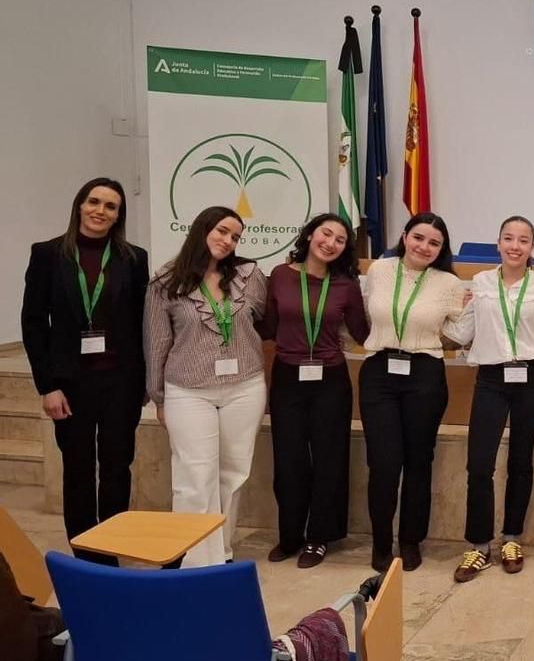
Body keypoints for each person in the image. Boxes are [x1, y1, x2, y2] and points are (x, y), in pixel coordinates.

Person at [20, 177, 148, 566]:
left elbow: (141, 323)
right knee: (77, 470)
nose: (100, 211)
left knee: (117, 467)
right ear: (79, 205)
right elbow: (33, 323)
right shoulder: (47, 254)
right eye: (94, 202)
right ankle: (86, 556)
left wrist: (144, 381)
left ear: (119, 215)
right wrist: (47, 386)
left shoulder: (133, 258)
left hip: (120, 382)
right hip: (70, 384)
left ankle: (112, 547)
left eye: (111, 206)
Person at [145, 206, 268, 567]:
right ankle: (194, 561)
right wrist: (159, 397)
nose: (228, 241)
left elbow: (262, 321)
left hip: (245, 387)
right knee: (195, 477)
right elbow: (156, 343)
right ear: (202, 229)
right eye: (222, 231)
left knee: (233, 473)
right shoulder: (165, 281)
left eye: (235, 236)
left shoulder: (249, 275)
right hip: (188, 389)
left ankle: (221, 554)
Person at [445, 216, 534, 582]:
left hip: (532, 379)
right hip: (492, 379)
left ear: (532, 247)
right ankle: (479, 545)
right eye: (508, 238)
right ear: (498, 243)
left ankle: (512, 538)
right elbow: (463, 330)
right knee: (479, 464)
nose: (515, 246)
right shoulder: (480, 282)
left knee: (520, 462)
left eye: (523, 240)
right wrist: (436, 314)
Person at [257, 213, 369, 568]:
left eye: (340, 240)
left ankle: (319, 537)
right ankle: (290, 534)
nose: (330, 243)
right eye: (326, 233)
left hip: (330, 379)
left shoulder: (346, 285)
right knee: (288, 459)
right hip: (287, 377)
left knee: (329, 459)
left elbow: (363, 333)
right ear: (309, 235)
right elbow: (267, 327)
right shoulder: (280, 275)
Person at [359, 212, 466, 573]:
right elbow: (369, 315)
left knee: (418, 460)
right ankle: (380, 542)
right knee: (383, 462)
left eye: (434, 242)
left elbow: (460, 333)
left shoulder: (449, 283)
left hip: (424, 374)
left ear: (442, 249)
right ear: (405, 236)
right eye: (419, 237)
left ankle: (410, 540)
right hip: (380, 373)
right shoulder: (379, 270)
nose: (424, 247)